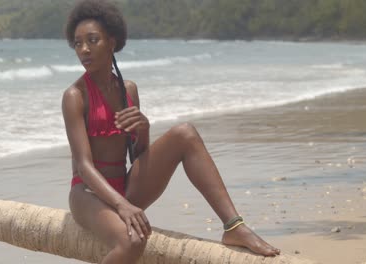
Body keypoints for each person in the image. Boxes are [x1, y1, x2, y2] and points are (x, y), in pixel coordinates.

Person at [62, 0, 280, 262]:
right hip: (87, 195)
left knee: (185, 133)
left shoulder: (127, 90)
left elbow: (138, 156)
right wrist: (122, 206)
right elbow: (84, 167)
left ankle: (234, 227)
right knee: (133, 241)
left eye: (92, 40)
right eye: (77, 43)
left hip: (124, 188)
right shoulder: (75, 96)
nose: (84, 49)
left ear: (112, 41)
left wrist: (143, 128)